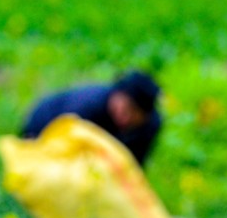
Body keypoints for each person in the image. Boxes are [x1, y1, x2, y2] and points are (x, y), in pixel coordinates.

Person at [21, 71, 162, 166]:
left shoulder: (150, 126)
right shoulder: (88, 107)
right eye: (124, 109)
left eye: (133, 115)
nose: (125, 119)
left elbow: (133, 166)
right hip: (43, 129)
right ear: (116, 94)